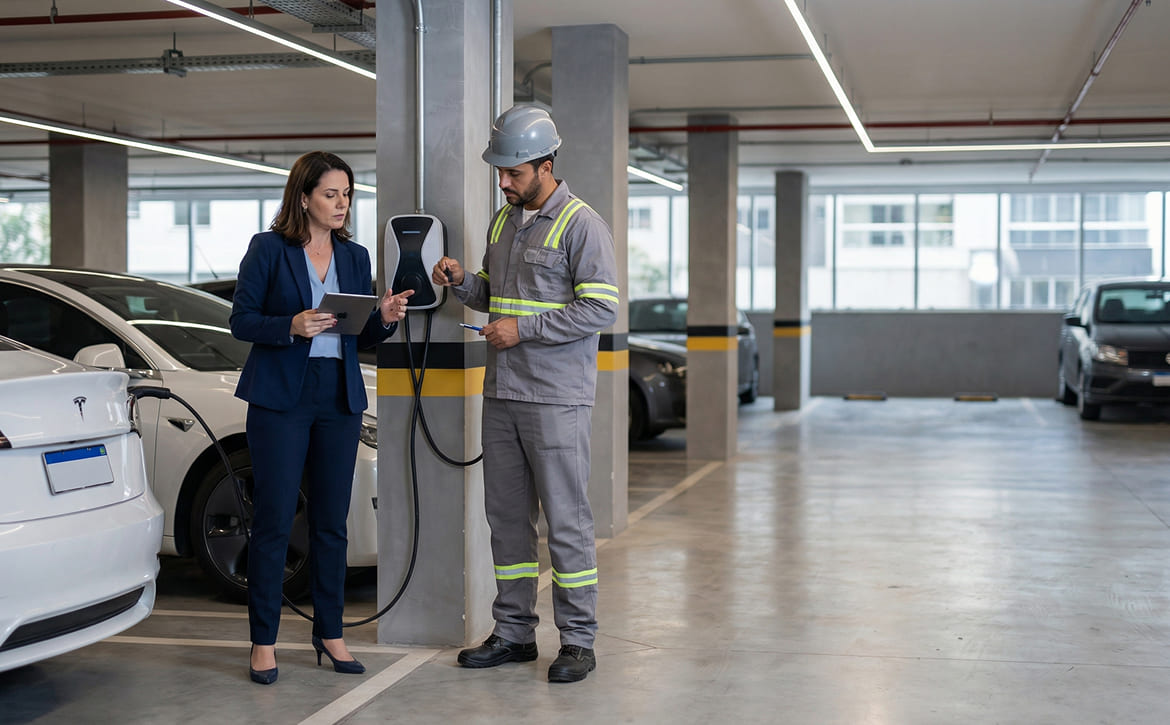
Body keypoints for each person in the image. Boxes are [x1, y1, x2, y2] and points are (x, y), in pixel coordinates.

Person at [431, 105, 619, 683]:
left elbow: (601, 306)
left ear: (545, 164)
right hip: (503, 396)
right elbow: (495, 296)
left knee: (566, 521)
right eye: (501, 173)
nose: (504, 183)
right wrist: (463, 282)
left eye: (513, 173)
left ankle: (578, 641)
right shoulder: (502, 221)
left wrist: (524, 330)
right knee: (508, 522)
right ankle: (513, 633)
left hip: (557, 399)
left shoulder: (582, 224)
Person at [230, 151, 413, 685]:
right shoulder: (268, 249)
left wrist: (383, 318)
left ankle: (329, 633)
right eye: (331, 194)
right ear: (304, 196)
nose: (342, 203)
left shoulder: (354, 257)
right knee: (273, 521)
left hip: (337, 397)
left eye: (348, 194)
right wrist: (292, 323)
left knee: (332, 524)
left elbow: (362, 336)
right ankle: (263, 643)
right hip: (281, 398)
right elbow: (242, 319)